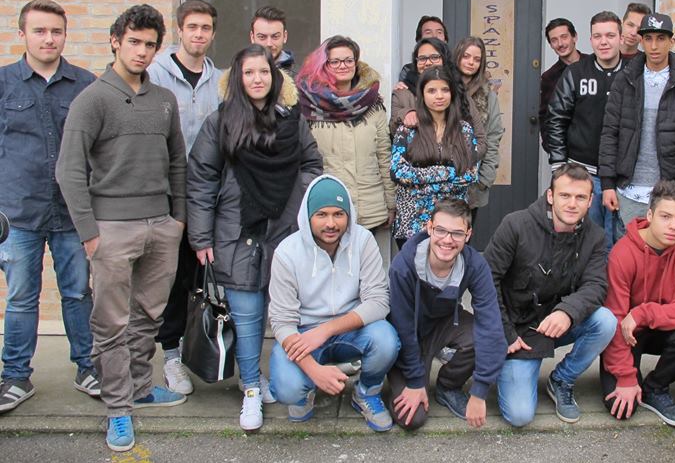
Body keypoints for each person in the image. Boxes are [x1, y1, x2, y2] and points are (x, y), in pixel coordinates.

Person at [56, 4, 187, 452]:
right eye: (134, 42)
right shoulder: (92, 100)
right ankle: (117, 409)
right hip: (111, 227)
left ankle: (141, 388)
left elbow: (178, 163)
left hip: (161, 225)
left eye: (150, 44)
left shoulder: (164, 99)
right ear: (115, 41)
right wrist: (89, 232)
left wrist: (177, 219)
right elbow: (69, 170)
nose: (142, 51)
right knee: (111, 323)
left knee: (148, 315)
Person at [187, 44, 323, 432]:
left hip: (282, 232)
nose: (257, 79)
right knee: (246, 316)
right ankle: (250, 387)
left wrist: (291, 194)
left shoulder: (292, 121)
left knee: (276, 315)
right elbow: (201, 180)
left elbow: (312, 164)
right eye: (249, 73)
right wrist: (201, 237)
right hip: (236, 233)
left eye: (264, 72)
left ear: (274, 77)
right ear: (238, 79)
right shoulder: (221, 122)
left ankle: (268, 377)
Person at [0, 0, 98, 413]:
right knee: (22, 297)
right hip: (18, 212)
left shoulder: (85, 85)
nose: (48, 39)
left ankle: (88, 368)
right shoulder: (4, 83)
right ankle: (15, 376)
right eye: (39, 31)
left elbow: (98, 149)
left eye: (56, 31)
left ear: (65, 35)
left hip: (71, 212)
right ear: (22, 34)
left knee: (77, 292)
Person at [484, 163, 616, 427]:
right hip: (518, 331)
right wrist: (504, 333)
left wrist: (568, 312)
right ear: (550, 196)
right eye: (565, 195)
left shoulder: (596, 237)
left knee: (605, 321)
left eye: (580, 197)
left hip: (557, 323)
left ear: (591, 201)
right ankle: (505, 367)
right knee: (520, 415)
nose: (572, 204)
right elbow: (485, 281)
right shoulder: (516, 225)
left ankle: (562, 379)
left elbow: (596, 285)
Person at [267, 175, 398, 430]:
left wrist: (326, 330)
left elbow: (379, 301)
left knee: (386, 339)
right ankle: (304, 393)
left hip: (351, 329)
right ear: (308, 217)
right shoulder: (287, 253)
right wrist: (314, 370)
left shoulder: (362, 241)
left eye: (339, 214)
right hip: (304, 333)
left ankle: (366, 392)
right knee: (287, 387)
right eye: (322, 215)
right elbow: (282, 323)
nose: (331, 223)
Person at [148, 0, 223, 396]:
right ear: (179, 29)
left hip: (206, 195)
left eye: (205, 28)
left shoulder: (219, 80)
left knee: (200, 277)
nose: (199, 34)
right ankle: (171, 356)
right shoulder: (155, 73)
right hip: (166, 194)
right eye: (192, 26)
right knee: (171, 278)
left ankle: (200, 350)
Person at [387, 198, 507, 430]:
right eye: (441, 230)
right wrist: (414, 381)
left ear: (468, 235)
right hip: (406, 339)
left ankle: (448, 385)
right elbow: (402, 326)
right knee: (412, 419)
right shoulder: (404, 266)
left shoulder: (475, 265)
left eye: (457, 233)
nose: (447, 240)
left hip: (443, 325)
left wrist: (480, 392)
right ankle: (399, 377)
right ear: (429, 227)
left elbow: (490, 324)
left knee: (482, 336)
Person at [600, 180, 675, 429]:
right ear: (649, 215)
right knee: (621, 408)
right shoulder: (623, 253)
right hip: (627, 335)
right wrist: (626, 377)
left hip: (662, 327)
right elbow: (615, 318)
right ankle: (632, 377)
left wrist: (642, 312)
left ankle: (656, 387)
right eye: (666, 217)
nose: (674, 226)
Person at [598, 12, 675, 244]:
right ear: (641, 41)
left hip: (670, 192)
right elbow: (610, 132)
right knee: (629, 252)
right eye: (648, 38)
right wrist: (607, 183)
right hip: (629, 190)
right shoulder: (625, 79)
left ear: (672, 41)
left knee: (666, 256)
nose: (654, 46)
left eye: (661, 38)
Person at [297, 36, 396, 231]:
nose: (343, 66)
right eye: (335, 61)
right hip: (326, 209)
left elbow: (384, 157)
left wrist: (391, 204)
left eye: (348, 60)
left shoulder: (372, 104)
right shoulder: (309, 107)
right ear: (324, 65)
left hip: (369, 209)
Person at [544, 11, 625, 249]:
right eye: (597, 36)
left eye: (610, 35)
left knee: (620, 242)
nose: (604, 42)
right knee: (585, 241)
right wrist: (559, 166)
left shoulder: (633, 73)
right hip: (583, 173)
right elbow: (556, 118)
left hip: (623, 177)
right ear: (590, 40)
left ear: (621, 38)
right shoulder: (576, 73)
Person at [391, 66, 479, 248]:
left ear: (452, 93)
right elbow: (398, 172)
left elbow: (470, 174)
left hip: (452, 221)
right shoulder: (407, 130)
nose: (439, 96)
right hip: (413, 222)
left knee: (450, 266)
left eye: (445, 90)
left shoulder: (464, 130)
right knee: (414, 266)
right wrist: (447, 173)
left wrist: (419, 184)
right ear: (422, 94)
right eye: (432, 90)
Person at [453, 36, 504, 218]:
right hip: (441, 179)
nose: (471, 62)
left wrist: (485, 178)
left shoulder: (488, 94)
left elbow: (493, 135)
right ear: (457, 56)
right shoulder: (443, 88)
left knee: (464, 231)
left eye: (476, 59)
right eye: (466, 56)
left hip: (473, 181)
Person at [538, 18, 580, 151]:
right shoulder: (549, 77)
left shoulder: (593, 64)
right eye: (554, 40)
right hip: (565, 149)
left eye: (564, 37)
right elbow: (545, 116)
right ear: (551, 45)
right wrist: (550, 147)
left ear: (574, 37)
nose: (560, 44)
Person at [397, 16, 448, 88]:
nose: (434, 36)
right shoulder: (408, 71)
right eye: (428, 32)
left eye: (439, 32)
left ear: (445, 40)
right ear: (419, 40)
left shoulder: (455, 73)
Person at [250, 5, 295, 73]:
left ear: (285, 36)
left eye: (275, 36)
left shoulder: (301, 76)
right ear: (252, 37)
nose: (269, 44)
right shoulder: (238, 73)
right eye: (262, 37)